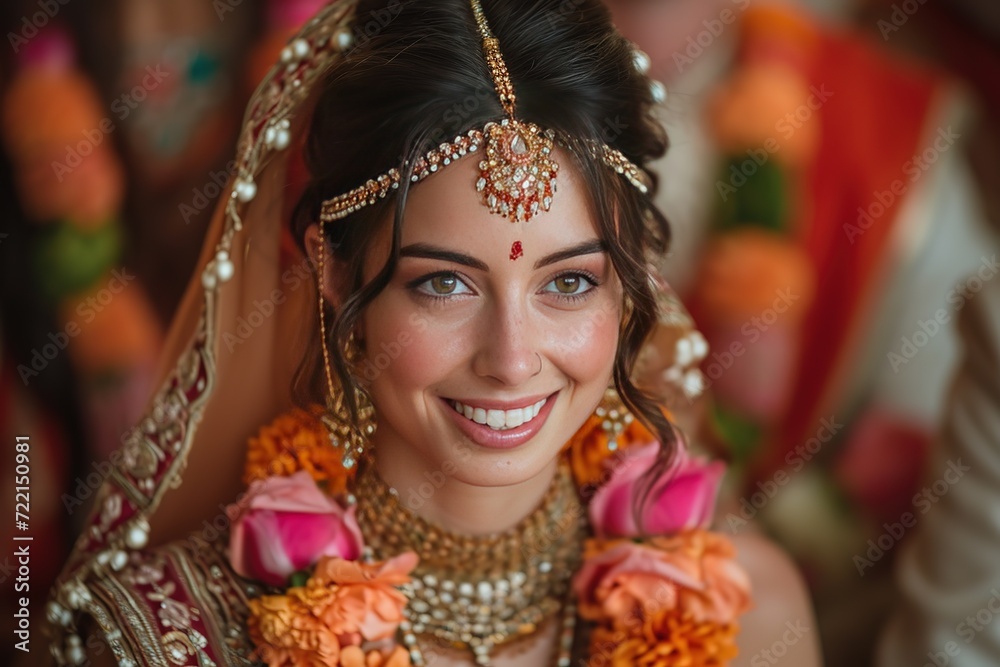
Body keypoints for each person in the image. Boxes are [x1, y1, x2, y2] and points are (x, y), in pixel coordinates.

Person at [44, 1, 821, 665]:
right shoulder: (169, 638)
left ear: (631, 284)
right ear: (336, 275)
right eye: (444, 283)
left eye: (569, 282)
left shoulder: (750, 616)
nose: (512, 358)